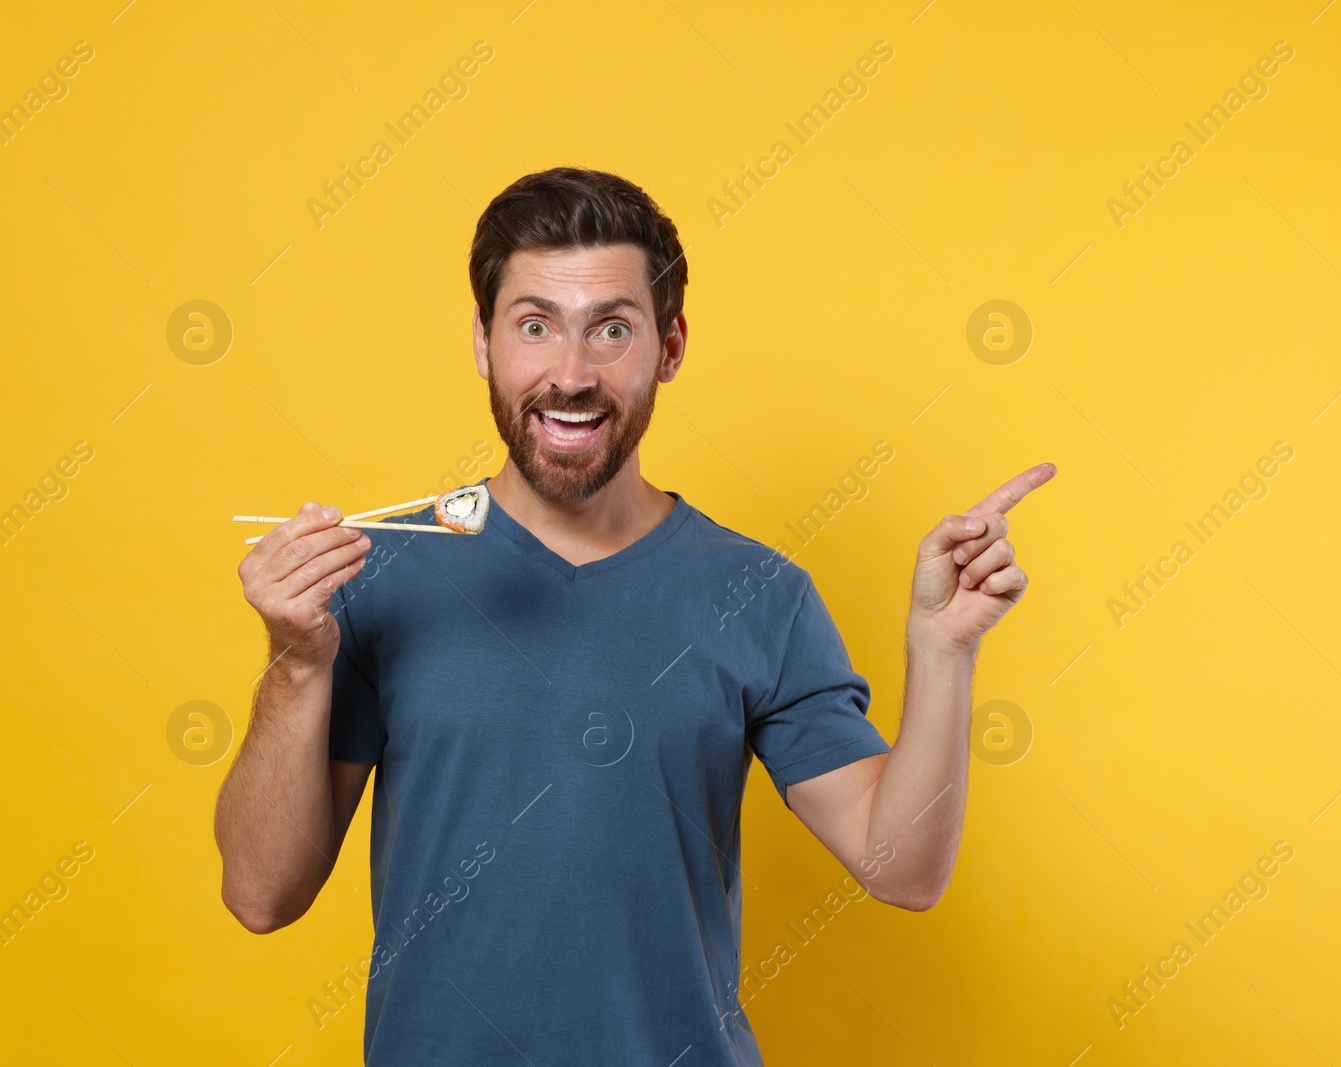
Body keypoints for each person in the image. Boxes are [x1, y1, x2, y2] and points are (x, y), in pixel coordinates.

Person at [214, 166, 1054, 1065]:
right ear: (483, 340)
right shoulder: (382, 574)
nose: (571, 375)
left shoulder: (761, 595)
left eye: (611, 330)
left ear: (672, 345)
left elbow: (905, 870)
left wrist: (942, 649)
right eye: (534, 326)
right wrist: (296, 664)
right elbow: (262, 893)